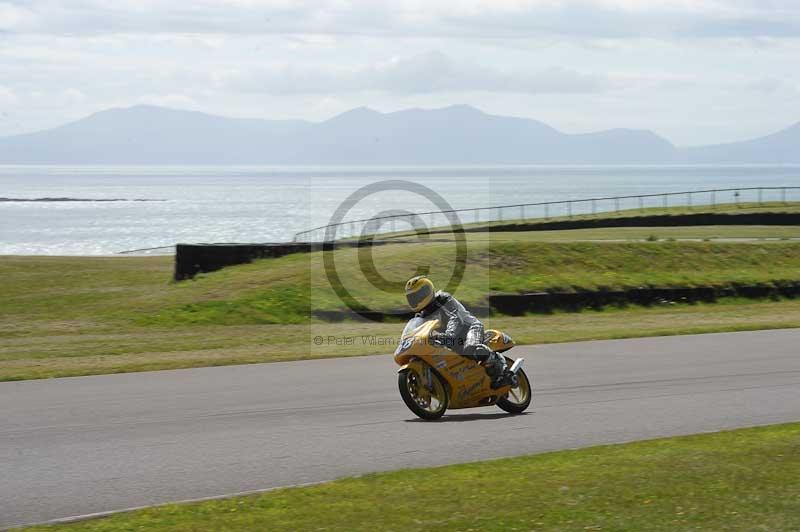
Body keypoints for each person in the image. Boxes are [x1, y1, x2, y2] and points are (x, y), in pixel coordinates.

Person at [404, 275, 509, 388]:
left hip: (470, 328)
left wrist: (449, 335)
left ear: (427, 291)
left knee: (470, 348)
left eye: (418, 295)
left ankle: (500, 367)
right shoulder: (421, 315)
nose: (416, 299)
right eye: (413, 297)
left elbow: (455, 318)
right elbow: (417, 331)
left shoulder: (443, 299)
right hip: (452, 339)